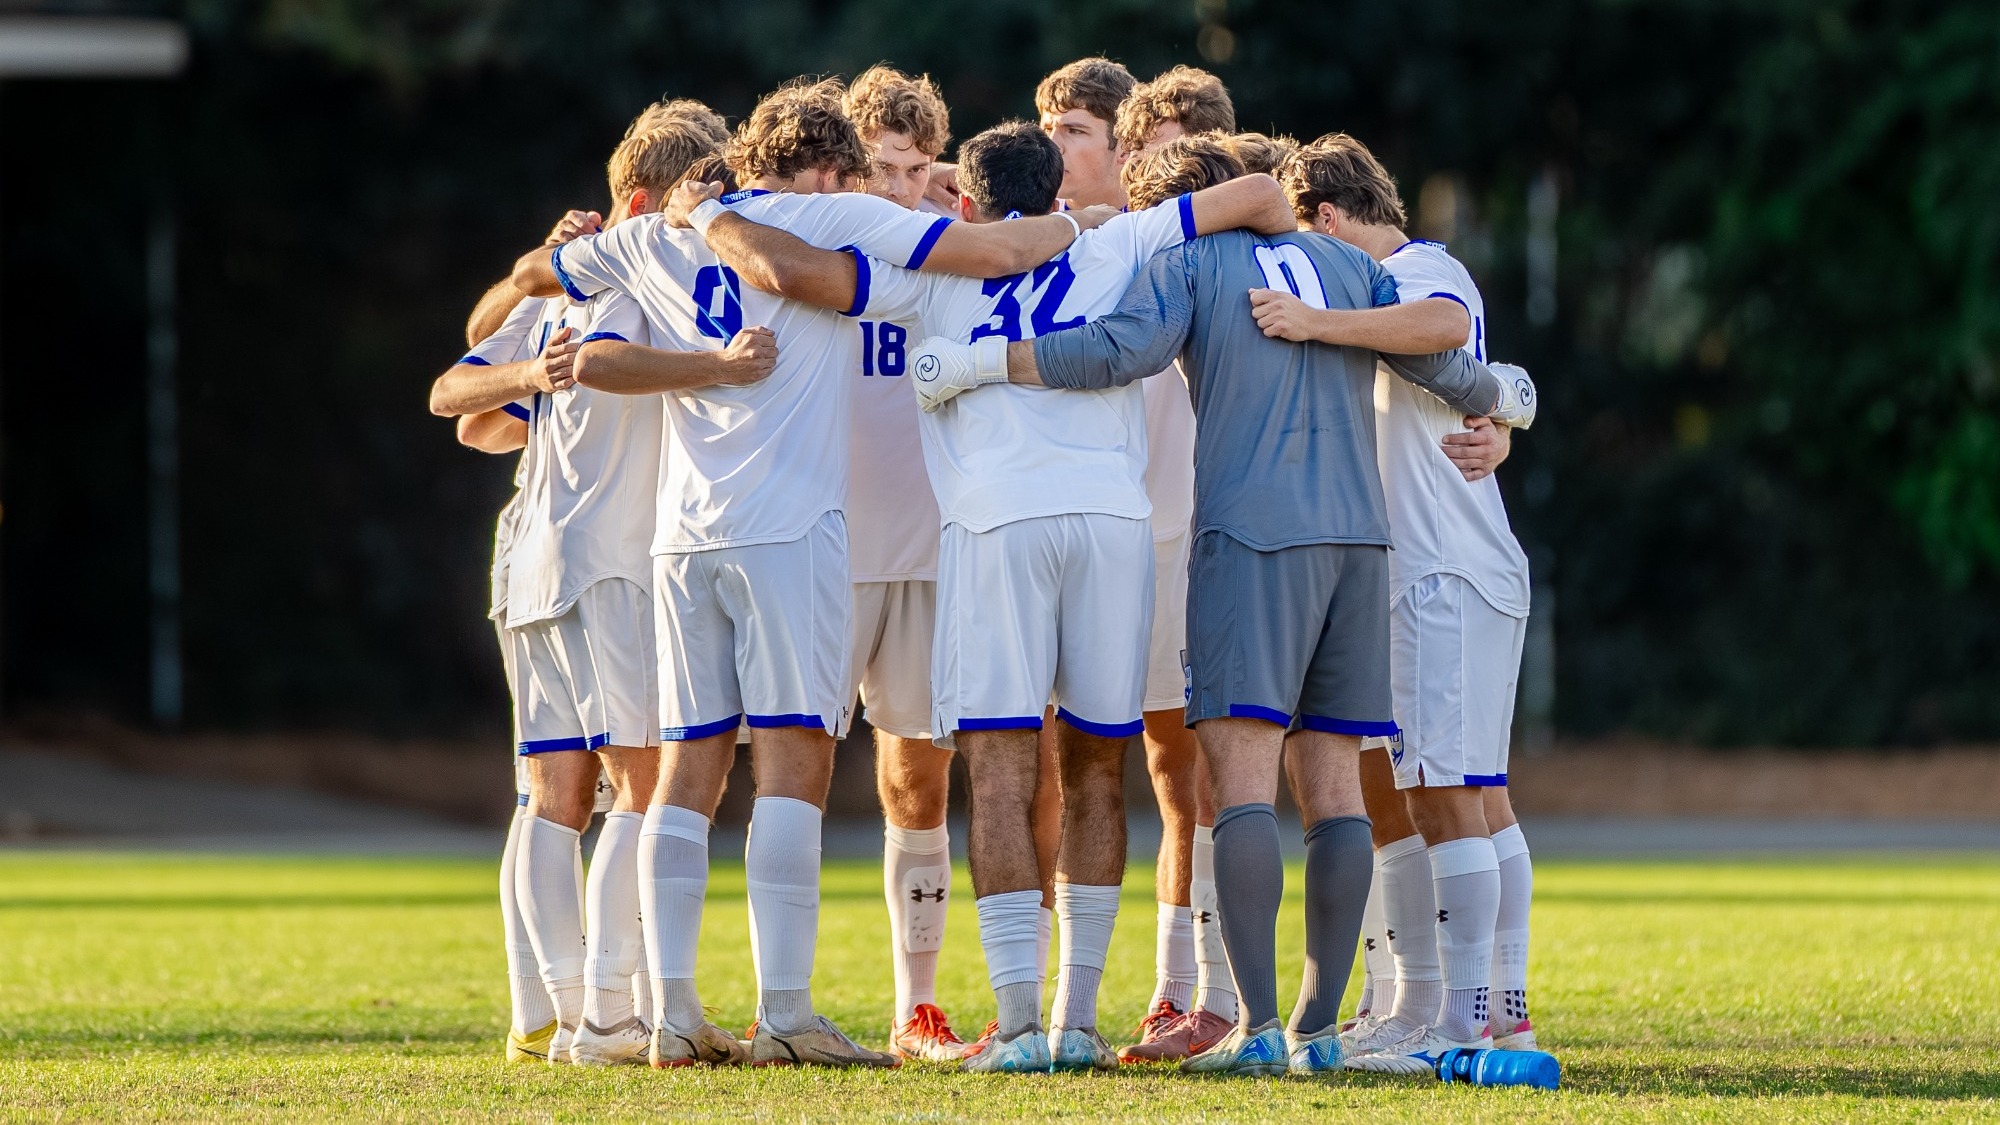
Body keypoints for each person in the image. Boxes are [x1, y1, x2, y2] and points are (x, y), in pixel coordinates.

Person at [507, 79, 1114, 1068]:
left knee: (689, 772)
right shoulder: (831, 214)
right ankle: (785, 1014)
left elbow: (544, 277)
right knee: (794, 765)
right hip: (789, 531)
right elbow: (989, 252)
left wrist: (662, 232)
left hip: (680, 537)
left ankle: (668, 1015)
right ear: (830, 167)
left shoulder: (656, 236)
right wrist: (1062, 234)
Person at [676, 119, 1297, 1073]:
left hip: (994, 527)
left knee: (1002, 770)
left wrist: (710, 214)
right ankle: (1076, 1019)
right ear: (1055, 190)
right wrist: (1106, 218)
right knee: (1098, 765)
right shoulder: (1113, 240)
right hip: (1109, 523)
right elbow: (1260, 194)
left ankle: (1014, 1030)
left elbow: (798, 276)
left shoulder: (936, 271)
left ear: (966, 202)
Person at [905, 144, 1532, 1076]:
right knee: (1335, 793)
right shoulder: (1349, 265)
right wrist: (1510, 405)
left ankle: (1263, 1026)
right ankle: (1322, 1032)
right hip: (1360, 543)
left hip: (1249, 538)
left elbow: (1118, 351)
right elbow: (1447, 362)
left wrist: (981, 361)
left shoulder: (1192, 259)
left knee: (1240, 789)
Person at [430, 117, 764, 1067]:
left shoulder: (575, 273)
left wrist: (534, 368)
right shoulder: (638, 266)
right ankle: (608, 1016)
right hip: (613, 558)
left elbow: (466, 408)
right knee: (645, 783)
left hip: (532, 557)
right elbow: (463, 398)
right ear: (652, 200)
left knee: (552, 790)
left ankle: (554, 1008)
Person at [1248, 133, 1538, 1073]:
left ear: (1328, 219)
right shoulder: (1389, 283)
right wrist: (1514, 409)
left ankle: (1459, 1025)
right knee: (1464, 795)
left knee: (1452, 794)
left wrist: (1313, 322)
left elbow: (1444, 327)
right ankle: (1489, 1013)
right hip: (1444, 566)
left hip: (1445, 570)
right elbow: (1484, 379)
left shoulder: (1416, 266)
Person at [1035, 58, 1239, 1064]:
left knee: (1186, 769)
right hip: (1079, 525)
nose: (1062, 151)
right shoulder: (1041, 237)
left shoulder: (1189, 235)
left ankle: (1184, 990)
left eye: (1077, 132)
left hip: (1188, 520)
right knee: (1060, 766)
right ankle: (1041, 1004)